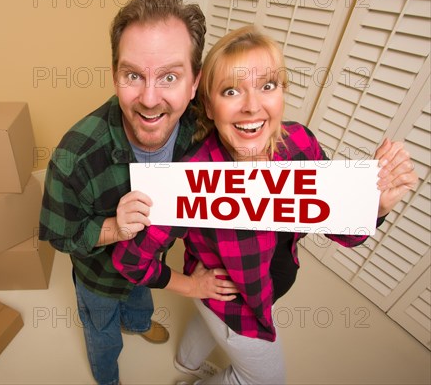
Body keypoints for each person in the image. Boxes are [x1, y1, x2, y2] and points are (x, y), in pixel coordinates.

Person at [112, 25, 418, 384]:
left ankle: (185, 367)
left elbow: (345, 233)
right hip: (236, 306)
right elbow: (129, 261)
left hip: (262, 288)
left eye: (267, 86)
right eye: (231, 91)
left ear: (281, 94)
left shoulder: (300, 144)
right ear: (209, 105)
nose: (252, 106)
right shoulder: (189, 177)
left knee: (205, 322)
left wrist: (376, 205)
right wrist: (191, 287)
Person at [39, 0, 237, 385]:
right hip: (99, 278)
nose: (149, 100)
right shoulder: (73, 158)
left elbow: (276, 173)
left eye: (169, 76)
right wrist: (113, 228)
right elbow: (61, 236)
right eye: (133, 75)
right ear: (115, 75)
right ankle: (107, 376)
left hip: (150, 266)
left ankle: (139, 323)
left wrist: (374, 201)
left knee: (140, 299)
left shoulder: (206, 129)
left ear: (195, 82)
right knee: (102, 331)